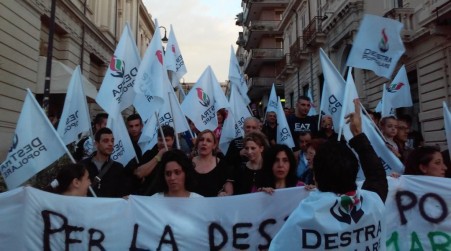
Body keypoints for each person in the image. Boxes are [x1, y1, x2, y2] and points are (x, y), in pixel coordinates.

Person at [269, 99, 388, 250]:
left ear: (315, 177)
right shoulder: (373, 203)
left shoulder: (305, 217)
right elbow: (377, 175)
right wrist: (357, 133)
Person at [80, 127, 129, 197]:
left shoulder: (118, 168)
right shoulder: (83, 165)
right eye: (106, 141)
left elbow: (122, 194)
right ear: (96, 144)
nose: (110, 144)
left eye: (112, 141)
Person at [191, 130, 234, 197]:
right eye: (201, 140)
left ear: (214, 146)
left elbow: (229, 190)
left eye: (208, 141)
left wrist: (225, 194)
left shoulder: (222, 164)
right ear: (197, 143)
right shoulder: (188, 163)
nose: (204, 143)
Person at [134, 125, 175, 195]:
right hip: (151, 197)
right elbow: (139, 173)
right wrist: (158, 156)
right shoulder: (149, 154)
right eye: (160, 140)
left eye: (167, 140)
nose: (163, 143)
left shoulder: (178, 155)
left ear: (173, 140)